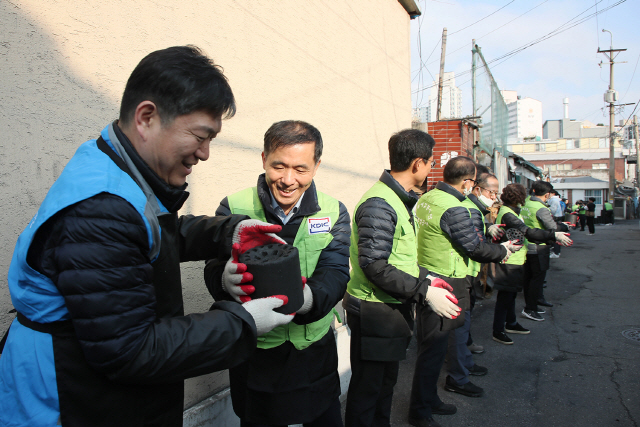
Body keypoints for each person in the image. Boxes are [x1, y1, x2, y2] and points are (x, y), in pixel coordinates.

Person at [0, 46, 295, 427]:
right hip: (68, 400)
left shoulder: (115, 169)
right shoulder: (100, 209)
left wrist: (228, 230)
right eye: (200, 136)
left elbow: (150, 235)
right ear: (147, 117)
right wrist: (242, 322)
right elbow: (130, 351)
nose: (204, 153)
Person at [204, 120, 351, 427]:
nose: (287, 179)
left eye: (301, 169)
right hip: (256, 350)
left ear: (316, 166)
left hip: (312, 348)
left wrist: (307, 299)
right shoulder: (233, 206)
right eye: (278, 166)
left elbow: (336, 271)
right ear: (263, 160)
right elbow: (214, 266)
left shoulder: (333, 211)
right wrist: (222, 281)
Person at [343, 129, 460, 427]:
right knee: (368, 390)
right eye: (431, 163)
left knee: (384, 385)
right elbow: (374, 265)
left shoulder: (398, 199)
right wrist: (424, 291)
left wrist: (426, 279)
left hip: (389, 306)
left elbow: (399, 257)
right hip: (375, 309)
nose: (431, 168)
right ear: (418, 163)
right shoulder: (380, 203)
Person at [409, 156, 518, 427]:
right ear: (469, 182)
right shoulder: (453, 207)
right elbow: (474, 248)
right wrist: (503, 250)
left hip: (426, 276)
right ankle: (420, 411)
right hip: (448, 280)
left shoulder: (426, 199)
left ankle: (428, 399)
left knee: (431, 348)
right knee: (433, 350)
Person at [492, 184, 572, 345]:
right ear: (520, 197)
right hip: (508, 261)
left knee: (511, 295)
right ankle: (498, 330)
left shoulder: (513, 211)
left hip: (516, 259)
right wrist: (554, 235)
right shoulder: (508, 214)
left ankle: (511, 322)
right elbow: (527, 231)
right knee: (505, 297)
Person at [520, 181, 569, 321]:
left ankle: (534, 303)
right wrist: (564, 226)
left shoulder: (525, 203)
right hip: (539, 246)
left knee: (528, 278)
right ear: (547, 194)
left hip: (525, 245)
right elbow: (552, 227)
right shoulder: (541, 208)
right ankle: (530, 308)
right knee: (537, 279)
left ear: (533, 190)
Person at [466, 168, 502, 355]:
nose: (494, 197)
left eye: (496, 193)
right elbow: (474, 246)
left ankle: (463, 347)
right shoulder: (469, 208)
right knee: (462, 314)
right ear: (476, 188)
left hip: (469, 270)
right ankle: (461, 355)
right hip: (462, 271)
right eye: (491, 192)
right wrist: (502, 251)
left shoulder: (476, 208)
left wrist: (488, 227)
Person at [548, 191, 564, 259]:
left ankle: (556, 252)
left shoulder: (554, 200)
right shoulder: (556, 200)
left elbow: (552, 210)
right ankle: (556, 251)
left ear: (553, 193)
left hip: (555, 218)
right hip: (558, 217)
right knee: (555, 235)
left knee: (555, 235)